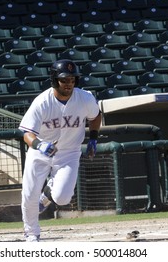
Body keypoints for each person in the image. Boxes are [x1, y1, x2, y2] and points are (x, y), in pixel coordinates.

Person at [18, 59, 102, 242]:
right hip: (40, 152)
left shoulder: (85, 98)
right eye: (64, 80)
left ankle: (48, 193)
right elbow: (27, 133)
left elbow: (95, 117)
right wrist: (39, 144)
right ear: (55, 80)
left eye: (72, 79)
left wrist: (93, 138)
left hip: (69, 153)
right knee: (29, 195)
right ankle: (32, 234)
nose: (69, 83)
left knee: (63, 198)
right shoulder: (42, 102)